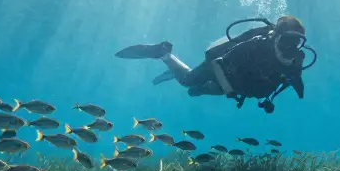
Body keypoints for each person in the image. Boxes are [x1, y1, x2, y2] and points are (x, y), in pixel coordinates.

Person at [116, 15, 315, 113]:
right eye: (287, 39)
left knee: (193, 92)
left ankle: (182, 76)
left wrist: (298, 86)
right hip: (220, 69)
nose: (290, 46)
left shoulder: (295, 59)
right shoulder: (256, 45)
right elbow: (218, 62)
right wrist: (228, 91)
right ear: (277, 36)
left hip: (239, 85)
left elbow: (296, 81)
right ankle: (163, 54)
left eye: (295, 42)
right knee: (187, 82)